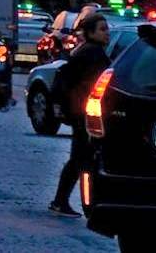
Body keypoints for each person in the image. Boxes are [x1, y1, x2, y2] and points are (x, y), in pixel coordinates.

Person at [49, 12, 111, 216]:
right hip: (86, 113)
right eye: (102, 29)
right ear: (91, 32)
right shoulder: (93, 54)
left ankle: (63, 200)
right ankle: (66, 201)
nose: (107, 33)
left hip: (80, 112)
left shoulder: (84, 51)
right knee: (81, 158)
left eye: (106, 29)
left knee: (81, 158)